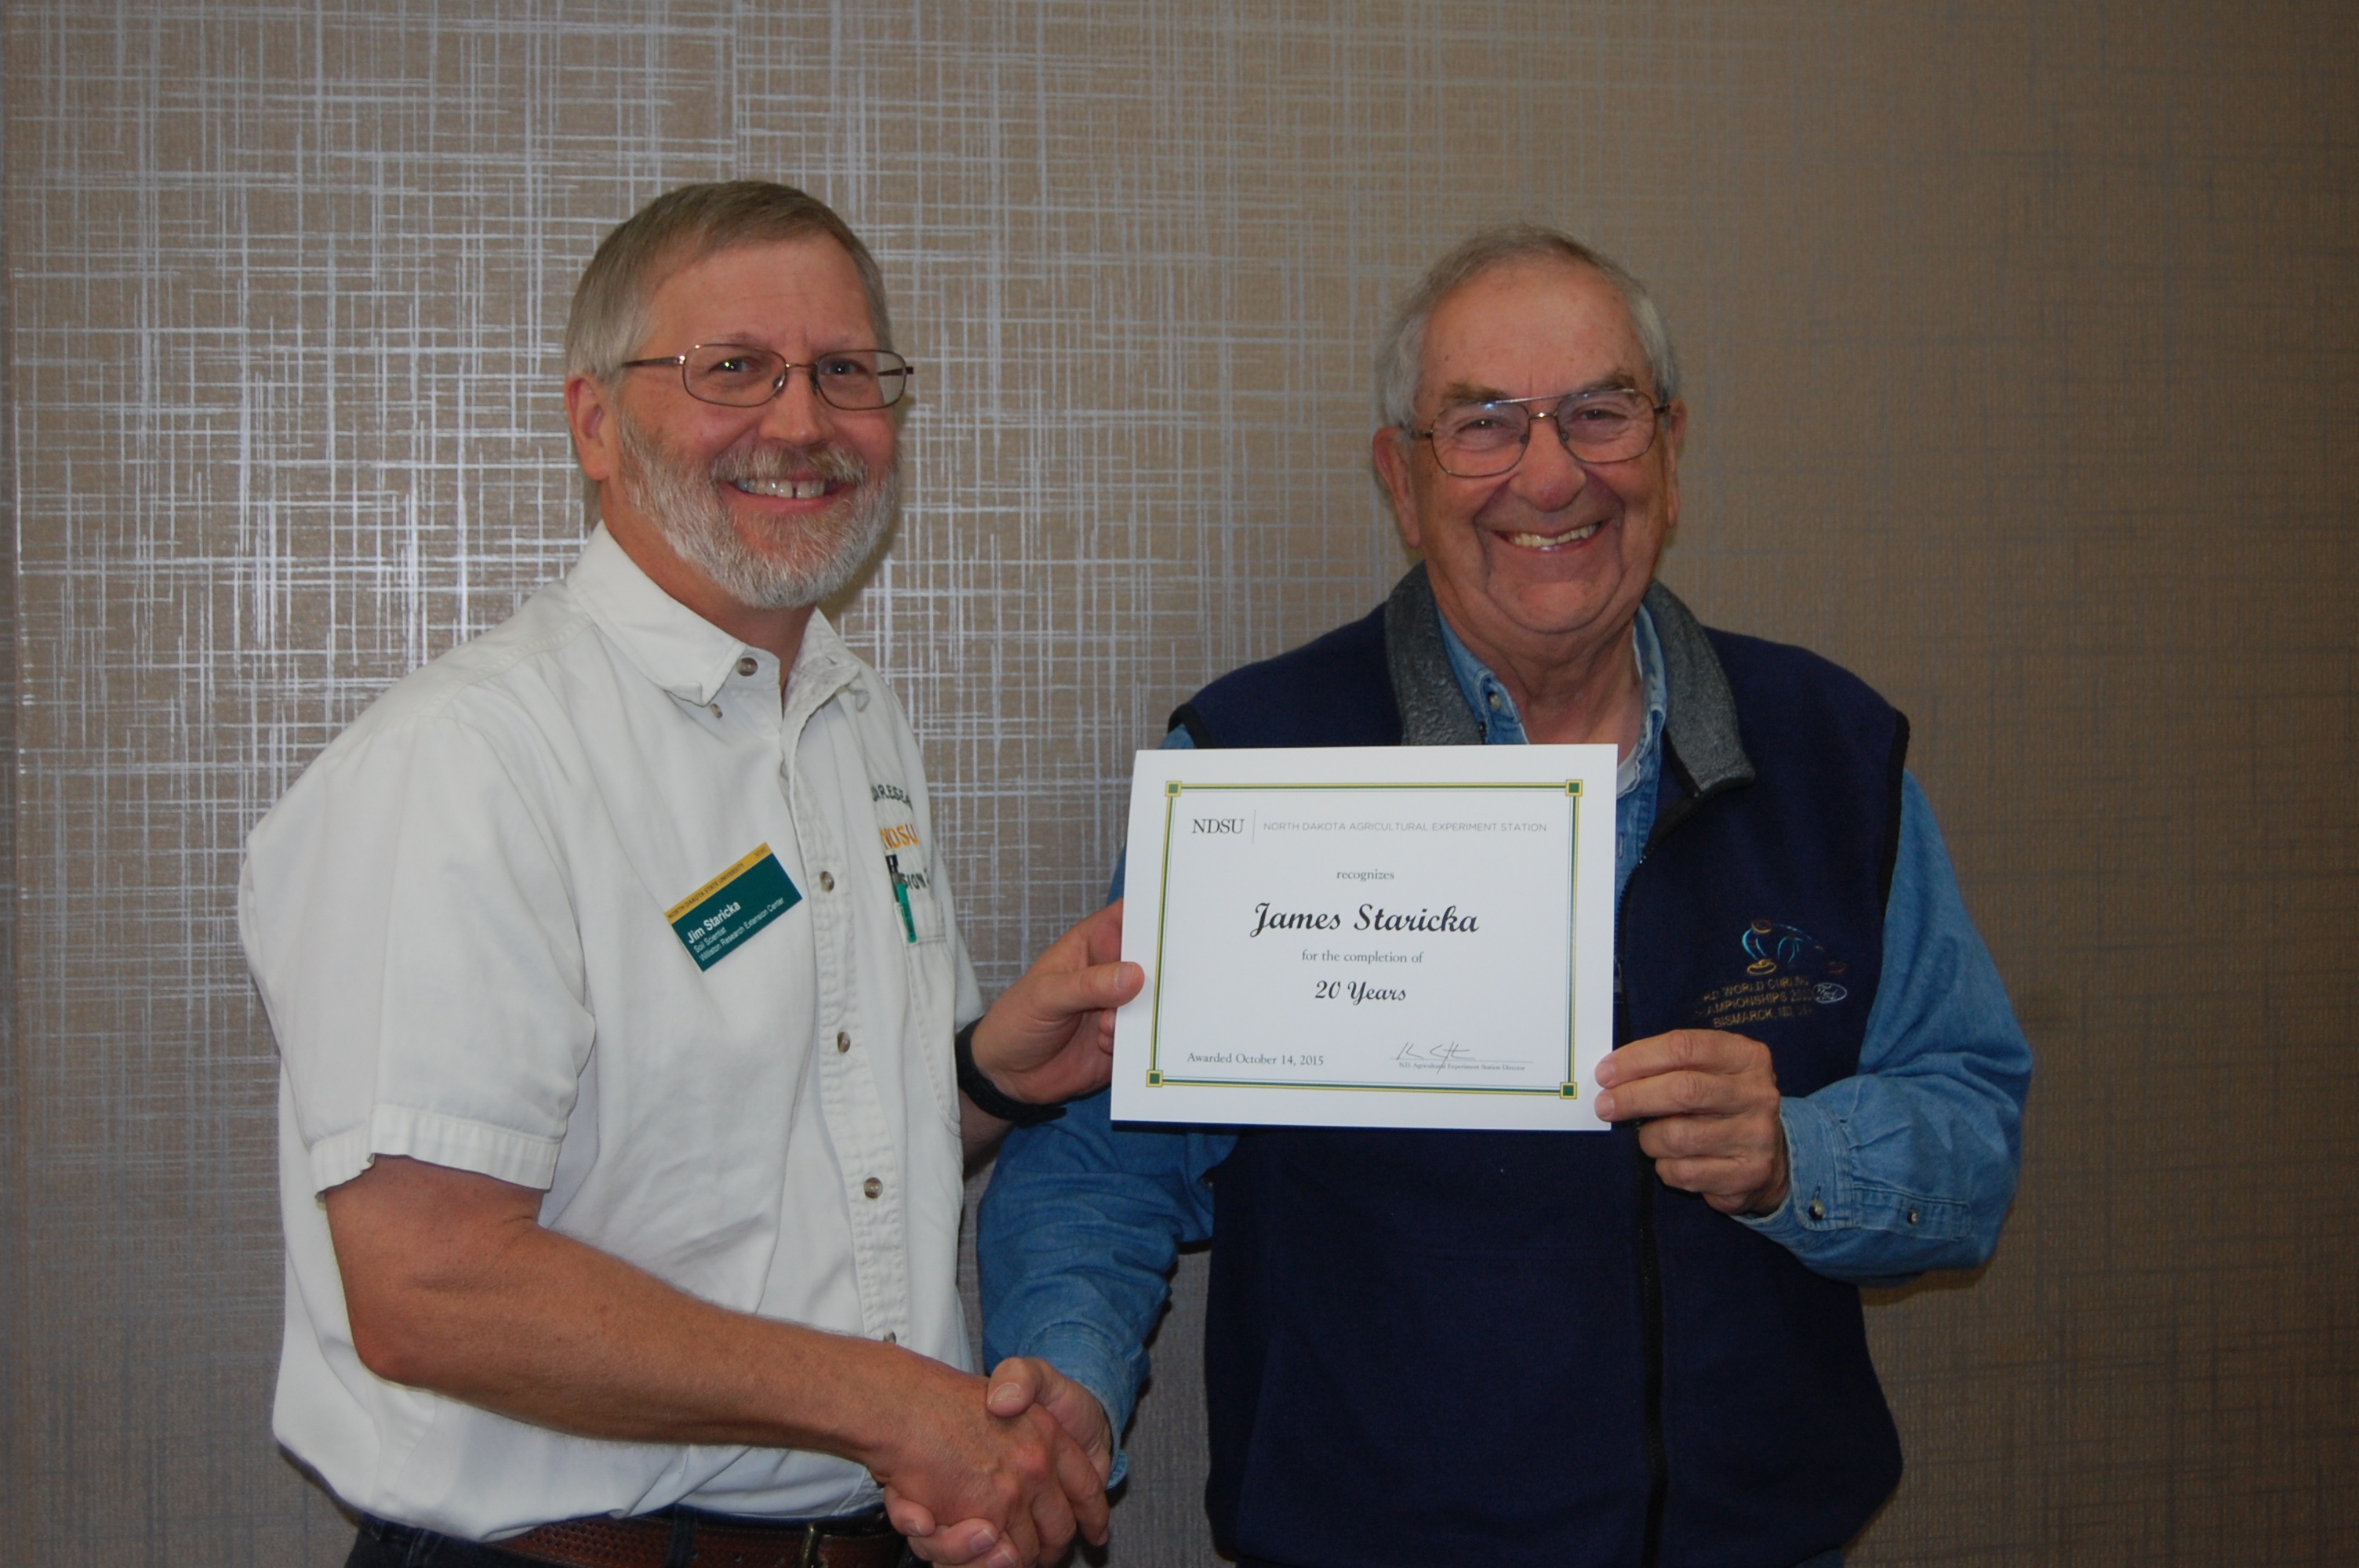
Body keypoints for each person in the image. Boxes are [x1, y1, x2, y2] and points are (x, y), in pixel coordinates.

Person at [974, 226, 2034, 1568]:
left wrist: (1796, 1161)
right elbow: (1105, 1157)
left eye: (1601, 413)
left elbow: (1971, 1126)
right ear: (1400, 481)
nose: (1551, 472)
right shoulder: (1253, 762)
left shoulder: (1829, 749)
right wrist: (1061, 1389)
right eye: (1482, 424)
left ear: (1669, 447)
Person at [241, 182, 1141, 1568]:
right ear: (595, 422)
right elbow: (428, 1285)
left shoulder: (848, 717)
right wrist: (895, 1408)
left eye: (845, 371)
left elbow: (788, 1167)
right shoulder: (466, 763)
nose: (800, 422)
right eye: (733, 370)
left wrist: (987, 1080)